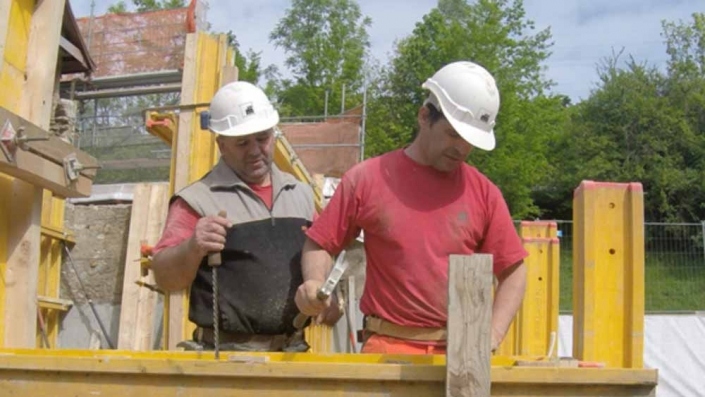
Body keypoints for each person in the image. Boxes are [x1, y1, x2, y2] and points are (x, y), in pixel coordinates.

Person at [294, 61, 528, 355]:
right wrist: (315, 283)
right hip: (386, 348)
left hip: (461, 355)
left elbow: (514, 272)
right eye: (453, 134)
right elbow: (320, 242)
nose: (462, 149)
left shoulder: (485, 194)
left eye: (470, 141)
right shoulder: (367, 179)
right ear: (424, 116)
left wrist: (492, 335)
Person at [150, 81, 340, 352]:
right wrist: (192, 247)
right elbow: (165, 278)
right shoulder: (197, 199)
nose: (254, 150)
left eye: (262, 138)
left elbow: (319, 252)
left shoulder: (299, 193)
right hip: (227, 359)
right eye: (242, 142)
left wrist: (324, 293)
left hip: (292, 353)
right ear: (221, 145)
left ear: (273, 134)